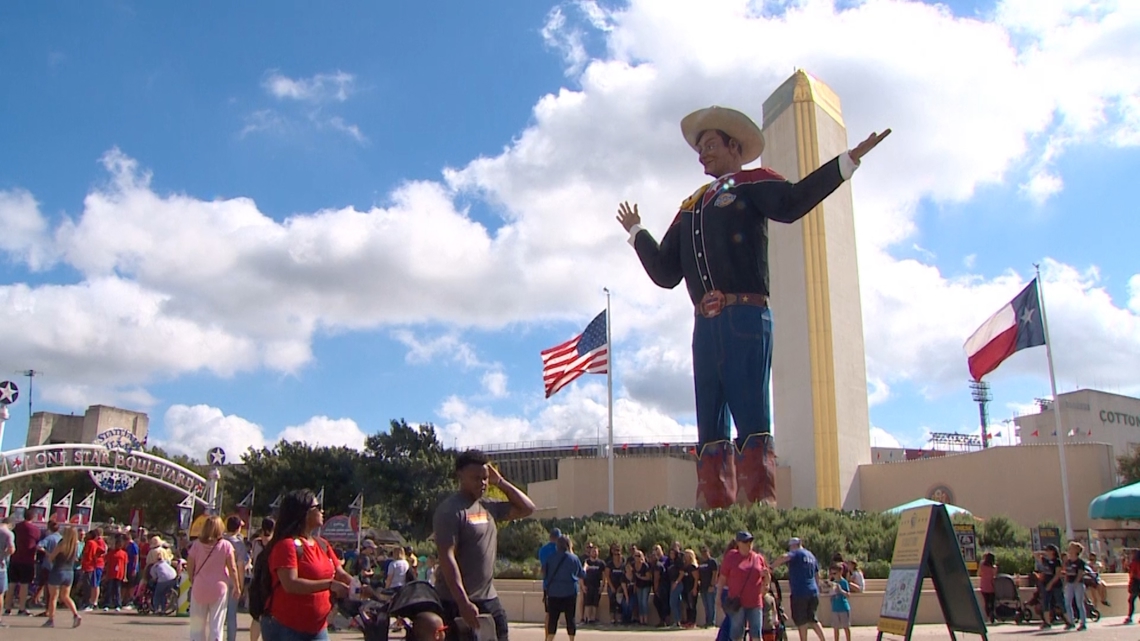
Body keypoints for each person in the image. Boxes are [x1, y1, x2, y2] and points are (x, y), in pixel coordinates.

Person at [617, 105, 890, 508]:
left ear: (735, 147)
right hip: (704, 326)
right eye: (699, 147)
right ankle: (715, 507)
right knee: (709, 422)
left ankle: (760, 507)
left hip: (745, 316)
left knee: (751, 414)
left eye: (710, 144)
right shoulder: (691, 207)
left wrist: (846, 162)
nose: (702, 154)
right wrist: (638, 233)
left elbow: (794, 202)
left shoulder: (752, 183)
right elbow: (665, 273)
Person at [433, 449, 536, 641]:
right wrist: (463, 602)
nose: (482, 483)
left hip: (489, 600)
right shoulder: (450, 511)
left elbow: (527, 508)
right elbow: (447, 557)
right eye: (476, 478)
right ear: (460, 476)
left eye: (485, 478)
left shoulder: (489, 507)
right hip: (456, 602)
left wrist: (500, 482)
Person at [262, 489, 353, 641]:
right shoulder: (287, 545)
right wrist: (329, 585)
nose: (322, 511)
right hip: (287, 627)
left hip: (317, 628)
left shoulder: (322, 544)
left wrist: (357, 586)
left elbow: (340, 573)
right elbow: (290, 584)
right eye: (317, 508)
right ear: (303, 513)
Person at [188, 515, 242, 641]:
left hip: (200, 586)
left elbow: (190, 565)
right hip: (219, 587)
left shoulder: (196, 545)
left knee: (197, 625)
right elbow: (232, 568)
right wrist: (237, 586)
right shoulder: (226, 545)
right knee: (216, 624)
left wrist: (192, 579)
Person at [718, 531, 769, 641]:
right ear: (739, 543)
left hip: (755, 602)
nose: (748, 544)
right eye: (745, 541)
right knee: (737, 634)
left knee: (756, 633)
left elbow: (766, 579)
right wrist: (718, 597)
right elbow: (722, 578)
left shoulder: (758, 558)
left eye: (750, 541)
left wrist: (766, 581)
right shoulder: (731, 556)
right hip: (737, 602)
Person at [772, 538, 825, 641]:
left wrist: (771, 566)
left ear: (794, 545)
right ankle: (823, 639)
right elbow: (817, 575)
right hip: (813, 592)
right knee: (813, 619)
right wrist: (817, 588)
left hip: (800, 592)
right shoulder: (811, 556)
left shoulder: (796, 553)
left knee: (801, 621)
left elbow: (784, 557)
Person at [541, 535, 582, 641]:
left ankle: (550, 638)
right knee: (570, 618)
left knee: (553, 619)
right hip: (570, 592)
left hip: (554, 592)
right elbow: (582, 574)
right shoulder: (574, 558)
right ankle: (571, 639)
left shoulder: (550, 558)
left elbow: (544, 574)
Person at [44, 525, 81, 628]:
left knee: (53, 597)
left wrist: (47, 554)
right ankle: (75, 614)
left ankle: (51, 619)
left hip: (58, 570)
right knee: (65, 596)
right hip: (69, 572)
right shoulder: (75, 545)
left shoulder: (62, 543)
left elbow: (51, 557)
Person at [6, 510, 41, 615]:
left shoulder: (17, 527)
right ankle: (21, 608)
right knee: (24, 585)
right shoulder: (35, 530)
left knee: (11, 584)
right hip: (27, 560)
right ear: (33, 517)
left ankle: (7, 607)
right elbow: (37, 542)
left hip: (15, 558)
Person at [223, 516, 250, 641]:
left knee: (217, 614)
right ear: (238, 528)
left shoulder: (219, 540)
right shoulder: (239, 545)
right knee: (231, 614)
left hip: (218, 579)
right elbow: (240, 566)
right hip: (232, 581)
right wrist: (240, 584)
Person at [1034, 544, 1072, 630]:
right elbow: (1035, 554)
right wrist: (1043, 552)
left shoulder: (1057, 561)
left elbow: (1057, 574)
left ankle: (1069, 621)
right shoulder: (1045, 560)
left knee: (1060, 602)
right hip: (1045, 583)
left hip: (1056, 585)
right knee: (1045, 603)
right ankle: (1047, 622)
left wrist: (1050, 584)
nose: (1046, 552)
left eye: (1048, 550)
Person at [249, 517, 274, 641]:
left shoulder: (256, 542)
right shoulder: (274, 544)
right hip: (269, 582)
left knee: (256, 617)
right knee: (268, 617)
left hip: (257, 580)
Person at [1063, 542, 1088, 631]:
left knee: (1079, 604)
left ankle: (1083, 623)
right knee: (1067, 603)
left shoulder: (1080, 562)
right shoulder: (1068, 562)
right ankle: (1071, 622)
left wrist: (1076, 582)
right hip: (1069, 583)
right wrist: (1065, 584)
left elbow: (1080, 573)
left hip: (1078, 584)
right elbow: (1066, 573)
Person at [79, 527, 106, 612]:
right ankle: (93, 601)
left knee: (94, 584)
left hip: (96, 565)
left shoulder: (98, 541)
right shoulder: (96, 542)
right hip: (94, 564)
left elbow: (103, 550)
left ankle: (93, 602)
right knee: (94, 584)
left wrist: (96, 556)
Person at [579, 543, 605, 625]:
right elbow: (581, 575)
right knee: (587, 603)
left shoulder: (601, 563)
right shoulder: (586, 562)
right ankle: (587, 618)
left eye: (596, 551)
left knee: (595, 604)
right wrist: (582, 586)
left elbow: (604, 576)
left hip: (596, 585)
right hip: (587, 585)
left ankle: (593, 619)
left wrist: (602, 586)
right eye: (593, 551)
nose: (594, 553)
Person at [826, 564, 850, 641]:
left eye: (835, 573)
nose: (833, 575)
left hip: (843, 607)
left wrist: (841, 590)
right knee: (836, 628)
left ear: (840, 572)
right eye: (832, 573)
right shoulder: (833, 583)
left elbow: (848, 595)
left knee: (846, 627)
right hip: (835, 608)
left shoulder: (844, 582)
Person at [698, 545, 720, 628]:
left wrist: (712, 585)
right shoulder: (702, 563)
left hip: (710, 586)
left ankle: (712, 622)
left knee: (711, 605)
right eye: (702, 553)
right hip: (703, 586)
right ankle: (707, 621)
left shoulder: (712, 562)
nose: (704, 554)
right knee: (706, 606)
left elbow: (715, 574)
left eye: (705, 552)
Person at [104, 535, 128, 611]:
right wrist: (107, 574)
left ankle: (118, 604)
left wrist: (125, 576)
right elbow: (108, 564)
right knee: (109, 589)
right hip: (111, 573)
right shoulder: (111, 553)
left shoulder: (124, 554)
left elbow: (125, 565)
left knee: (117, 589)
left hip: (119, 574)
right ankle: (107, 604)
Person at [603, 544, 624, 625]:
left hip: (621, 586)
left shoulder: (623, 563)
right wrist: (611, 587)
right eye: (615, 554)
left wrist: (620, 587)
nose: (617, 555)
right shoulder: (610, 564)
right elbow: (607, 576)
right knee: (612, 602)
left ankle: (619, 619)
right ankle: (612, 619)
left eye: (619, 553)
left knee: (619, 603)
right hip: (611, 586)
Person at [630, 549, 652, 625]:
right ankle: (641, 620)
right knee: (639, 603)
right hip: (638, 586)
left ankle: (645, 620)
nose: (637, 557)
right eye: (636, 556)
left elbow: (648, 577)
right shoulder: (633, 565)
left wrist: (640, 577)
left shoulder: (645, 565)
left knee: (644, 602)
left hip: (645, 586)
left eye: (639, 556)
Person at [0, 518, 12, 626]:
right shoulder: (8, 533)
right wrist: (4, 555)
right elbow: (11, 549)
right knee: (0, 594)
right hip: (1, 566)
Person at [978, 553, 997, 624]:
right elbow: (994, 576)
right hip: (991, 587)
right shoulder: (994, 568)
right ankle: (992, 615)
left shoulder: (982, 566)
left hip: (983, 586)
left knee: (986, 602)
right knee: (992, 602)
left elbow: (979, 573)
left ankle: (988, 615)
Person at [1126, 549, 1140, 624]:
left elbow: (1133, 573)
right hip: (1137, 582)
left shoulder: (1135, 563)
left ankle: (1130, 617)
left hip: (1136, 583)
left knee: (1131, 600)